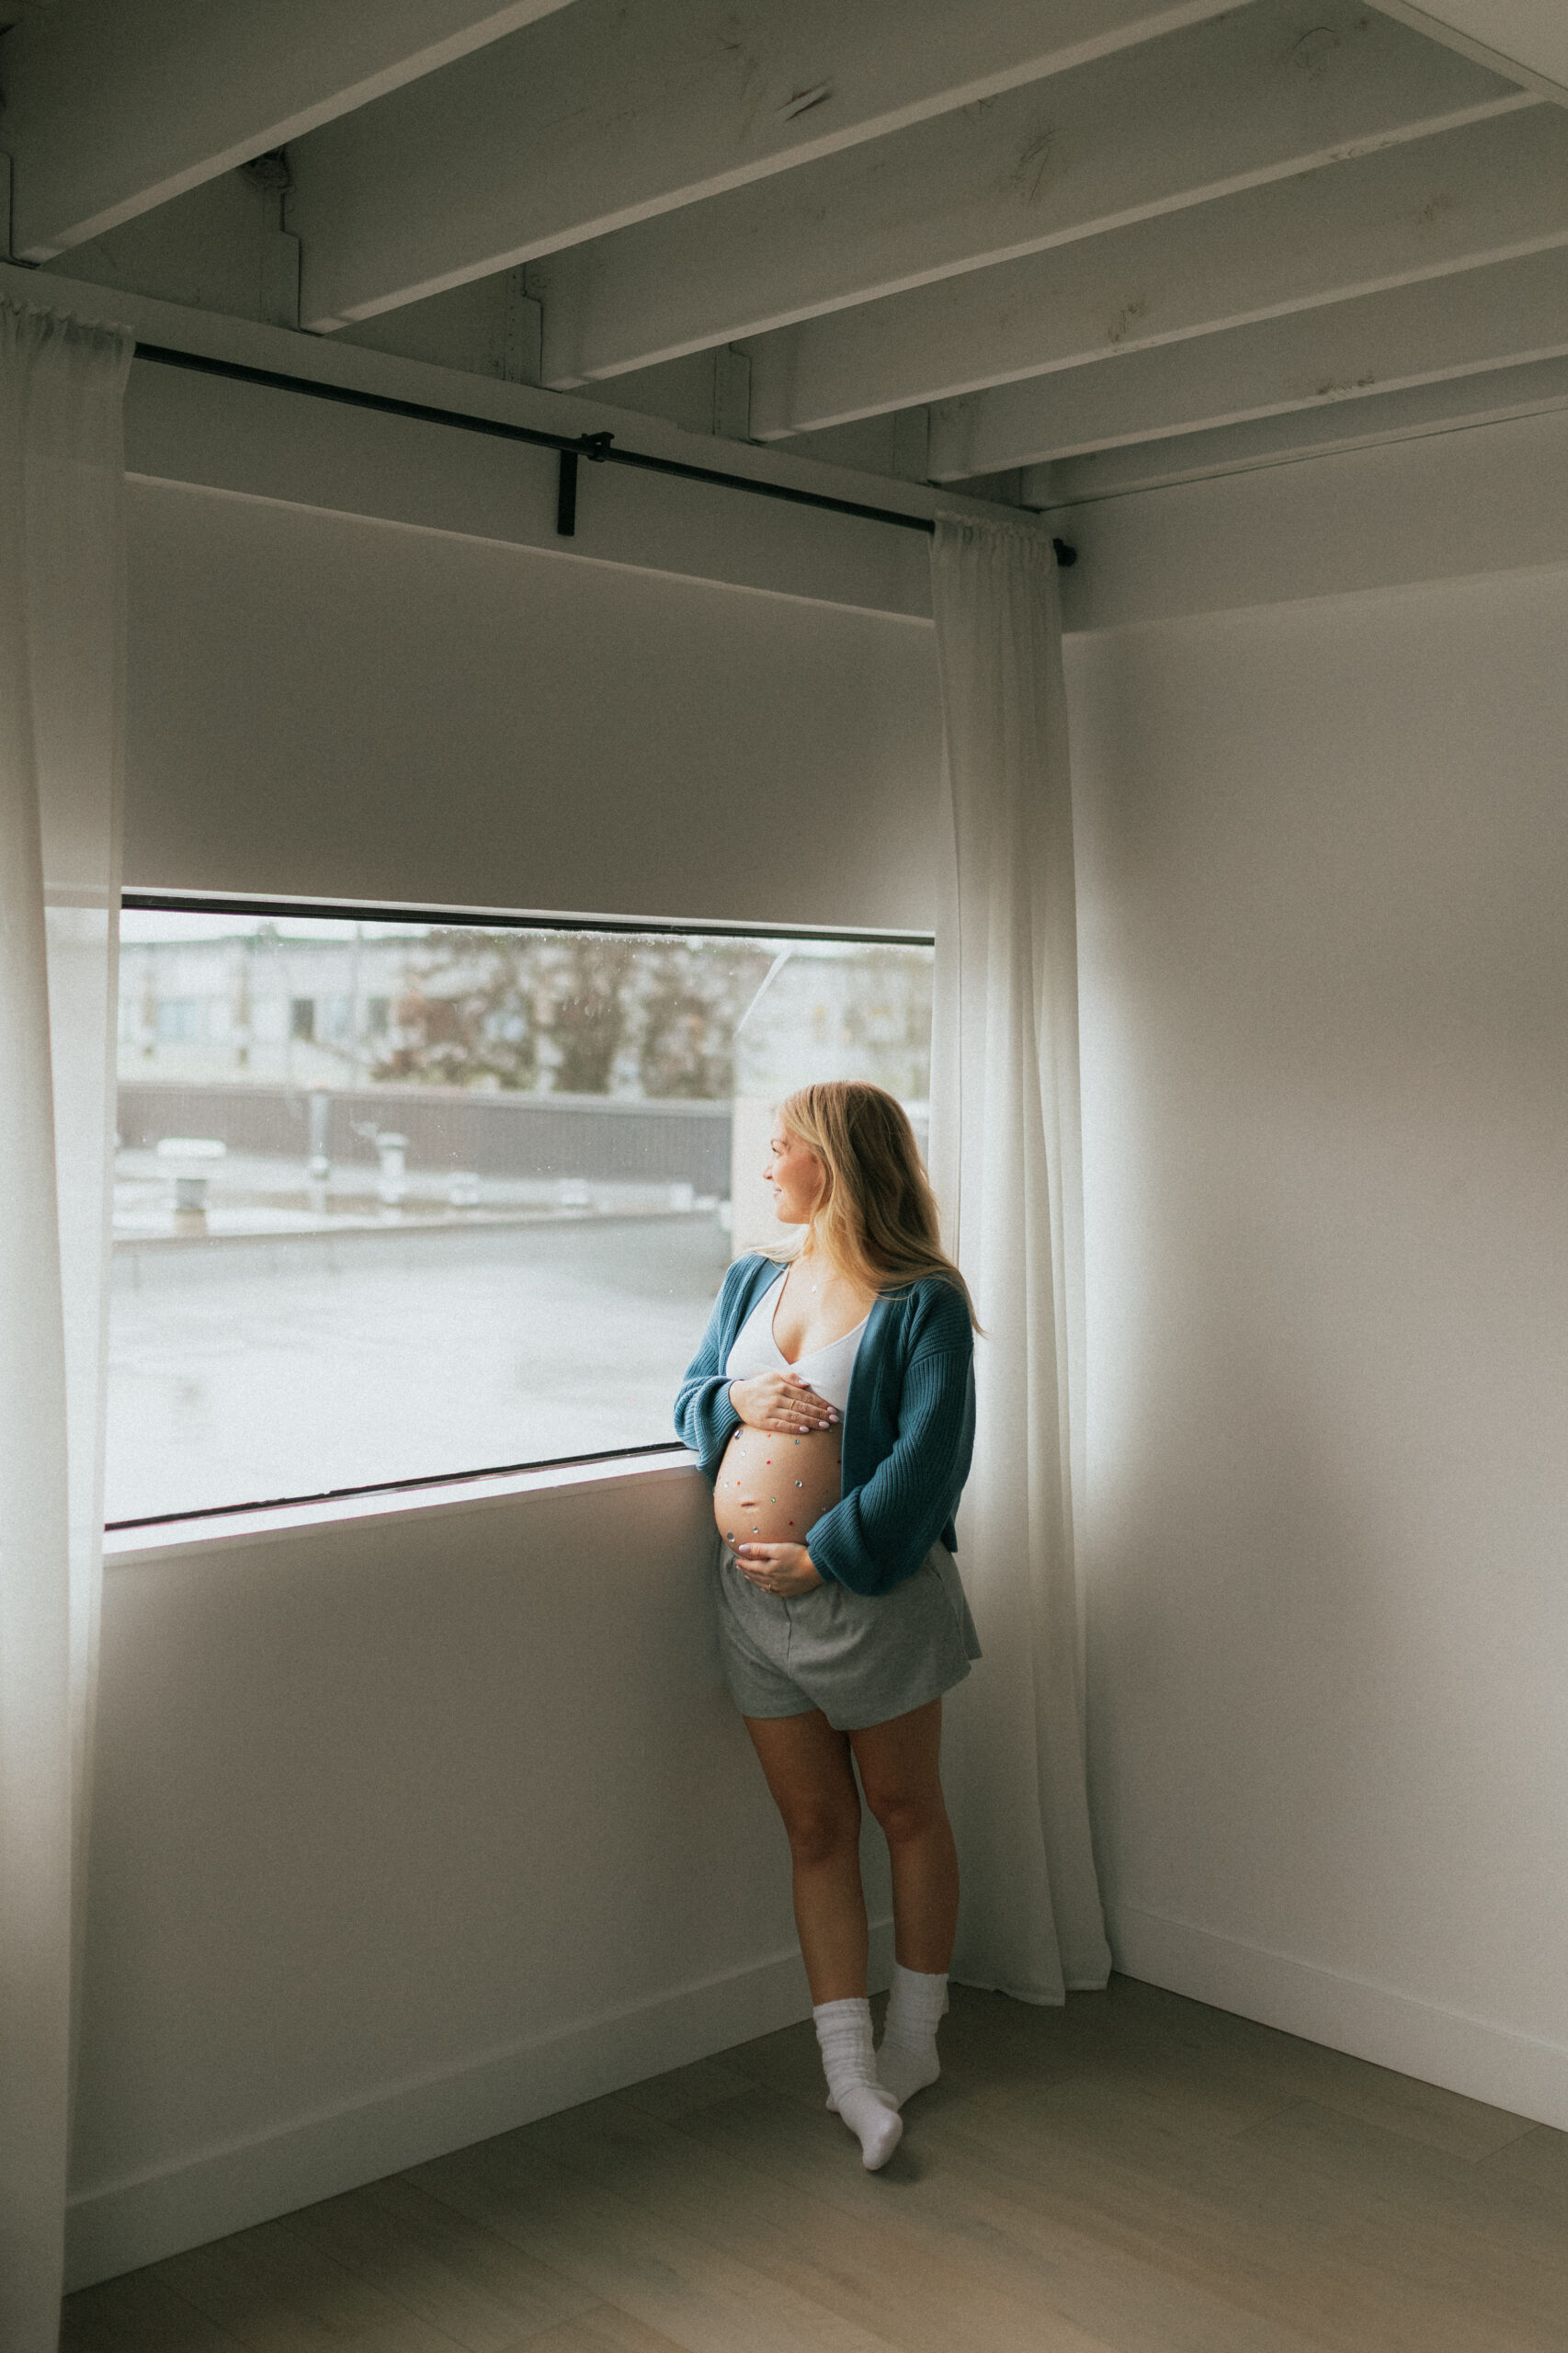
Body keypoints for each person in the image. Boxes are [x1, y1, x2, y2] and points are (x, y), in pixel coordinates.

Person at [675, 1080, 981, 2171]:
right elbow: (685, 1398)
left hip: (874, 1601)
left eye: (781, 1147)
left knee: (902, 1809)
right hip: (752, 1607)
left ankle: (915, 2039)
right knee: (813, 1828)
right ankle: (847, 2066)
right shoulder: (753, 1277)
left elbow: (929, 1459)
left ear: (834, 1162)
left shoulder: (921, 1299)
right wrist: (735, 1401)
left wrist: (828, 1555)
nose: (766, 1165)